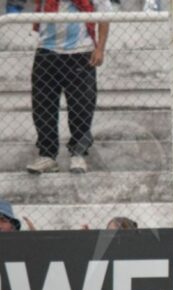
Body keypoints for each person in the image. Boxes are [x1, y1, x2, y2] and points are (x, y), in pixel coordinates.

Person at [25, 0, 111, 174]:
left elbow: (105, 13)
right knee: (43, 106)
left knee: (82, 107)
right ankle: (47, 155)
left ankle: (78, 154)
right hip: (47, 51)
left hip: (81, 52)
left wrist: (100, 48)